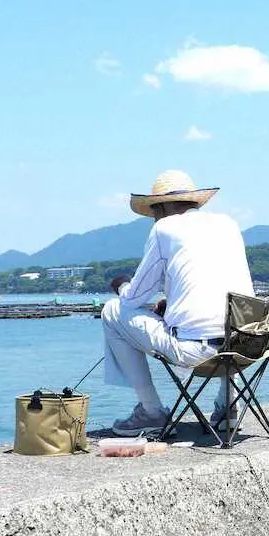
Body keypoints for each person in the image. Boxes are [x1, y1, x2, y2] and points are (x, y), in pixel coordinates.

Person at [102, 170, 254, 436]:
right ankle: (227, 405)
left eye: (154, 211)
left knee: (113, 311)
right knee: (226, 321)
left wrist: (121, 284)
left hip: (198, 353)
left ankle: (151, 412)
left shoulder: (164, 228)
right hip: (248, 347)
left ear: (160, 207)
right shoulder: (228, 224)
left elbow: (134, 297)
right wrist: (169, 302)